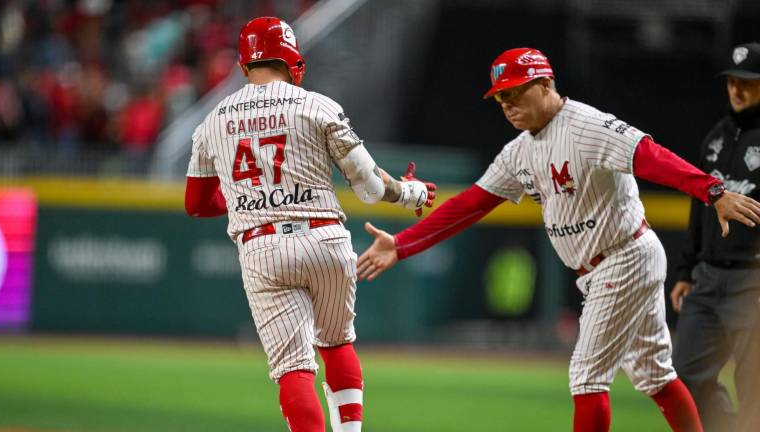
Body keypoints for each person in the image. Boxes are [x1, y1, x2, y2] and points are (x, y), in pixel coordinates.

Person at [356, 47, 760, 432]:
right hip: (612, 262)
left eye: (515, 92)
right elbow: (470, 204)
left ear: (546, 84)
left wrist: (712, 191)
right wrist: (402, 243)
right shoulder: (519, 152)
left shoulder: (588, 126)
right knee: (656, 375)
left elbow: (649, 156)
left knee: (586, 377)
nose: (508, 105)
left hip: (623, 258)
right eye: (500, 98)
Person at [184, 17, 436, 432]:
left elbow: (196, 204)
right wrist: (411, 193)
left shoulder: (212, 121)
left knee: (294, 370)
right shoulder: (317, 105)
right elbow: (371, 189)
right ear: (291, 59)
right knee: (337, 344)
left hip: (262, 246)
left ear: (244, 65)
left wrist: (248, 199)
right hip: (325, 237)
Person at [670, 42, 760, 432]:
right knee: (682, 379)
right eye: (732, 82)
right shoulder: (714, 138)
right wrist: (686, 269)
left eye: (748, 82)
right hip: (707, 279)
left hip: (752, 281)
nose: (737, 90)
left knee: (755, 389)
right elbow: (698, 209)